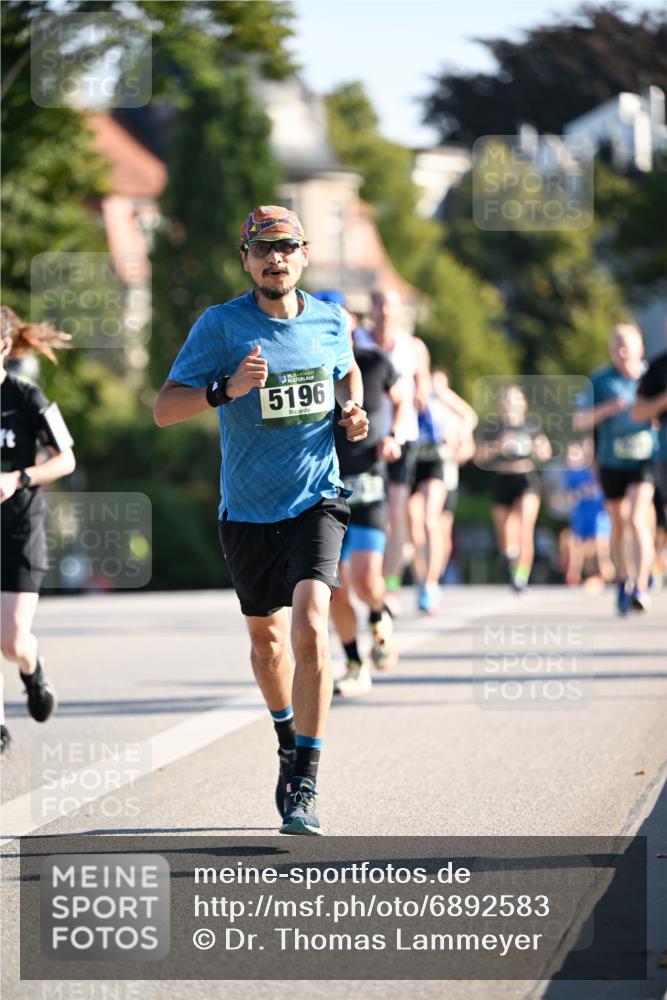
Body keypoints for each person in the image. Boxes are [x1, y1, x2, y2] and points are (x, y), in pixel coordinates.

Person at [153, 206, 368, 835]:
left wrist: (352, 410)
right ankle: (283, 736)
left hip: (316, 498)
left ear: (303, 255)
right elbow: (165, 410)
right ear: (246, 259)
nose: (275, 259)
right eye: (262, 250)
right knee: (267, 643)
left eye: (286, 248)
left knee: (308, 625)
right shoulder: (220, 326)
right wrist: (224, 390)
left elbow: (345, 369)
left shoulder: (330, 319)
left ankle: (305, 777)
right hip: (247, 511)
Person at [313, 291, 406, 697]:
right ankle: (354, 663)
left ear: (352, 322)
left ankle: (380, 613)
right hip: (325, 485)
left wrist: (396, 437)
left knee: (367, 580)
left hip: (369, 479)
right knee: (334, 590)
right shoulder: (311, 370)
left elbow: (404, 403)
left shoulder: (374, 362)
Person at [0, 306, 76, 755]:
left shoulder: (27, 398)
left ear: (5, 347)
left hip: (19, 528)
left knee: (9, 640)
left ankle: (32, 667)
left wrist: (18, 478)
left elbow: (66, 458)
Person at [354, 290, 431, 607]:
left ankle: (391, 584)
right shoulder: (357, 340)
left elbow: (422, 393)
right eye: (379, 304)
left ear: (399, 312)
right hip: (362, 438)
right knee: (365, 508)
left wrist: (396, 397)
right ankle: (361, 575)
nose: (385, 311)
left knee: (396, 510)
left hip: (401, 438)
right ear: (371, 309)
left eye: (391, 306)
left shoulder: (413, 347)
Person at [575, 323, 656, 613]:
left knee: (636, 518)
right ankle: (624, 579)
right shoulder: (600, 380)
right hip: (611, 461)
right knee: (619, 524)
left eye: (626, 345)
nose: (621, 352)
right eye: (615, 346)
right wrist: (606, 409)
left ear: (640, 348)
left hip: (646, 459)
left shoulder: (652, 376)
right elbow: (579, 421)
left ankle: (642, 585)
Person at [476, 384, 552, 591]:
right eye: (507, 401)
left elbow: (546, 452)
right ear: (501, 405)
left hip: (525, 478)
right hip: (501, 479)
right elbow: (479, 456)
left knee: (525, 526)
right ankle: (509, 557)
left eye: (515, 400)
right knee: (505, 531)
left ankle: (521, 576)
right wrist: (498, 446)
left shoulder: (531, 426)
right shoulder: (493, 428)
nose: (511, 405)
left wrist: (541, 449)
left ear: (524, 405)